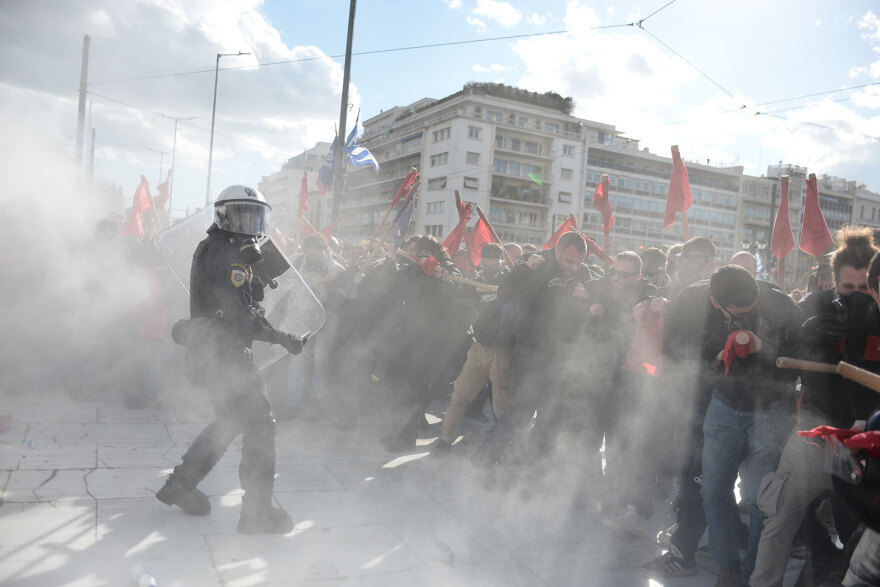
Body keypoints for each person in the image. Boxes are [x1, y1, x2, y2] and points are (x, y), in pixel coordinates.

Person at [156, 185, 306, 534]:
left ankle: (179, 485)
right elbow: (239, 317)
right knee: (261, 426)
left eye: (256, 216)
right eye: (243, 215)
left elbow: (231, 301)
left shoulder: (216, 247)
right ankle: (257, 514)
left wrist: (255, 283)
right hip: (228, 355)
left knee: (228, 422)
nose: (250, 223)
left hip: (213, 353)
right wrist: (281, 337)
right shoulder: (228, 254)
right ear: (225, 215)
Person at [751, 227, 880, 587]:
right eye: (847, 287)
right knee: (779, 516)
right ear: (832, 283)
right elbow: (776, 362)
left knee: (855, 531)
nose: (856, 295)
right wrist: (801, 334)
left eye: (865, 288)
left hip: (862, 446)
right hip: (813, 434)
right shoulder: (815, 307)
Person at [470, 231, 589, 486]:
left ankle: (533, 470)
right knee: (522, 410)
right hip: (532, 348)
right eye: (569, 261)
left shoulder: (582, 273)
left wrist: (589, 300)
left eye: (578, 262)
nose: (573, 267)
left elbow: (601, 293)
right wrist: (524, 270)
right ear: (557, 251)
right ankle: (484, 457)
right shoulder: (535, 262)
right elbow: (504, 293)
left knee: (551, 414)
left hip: (562, 352)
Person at [432, 243, 514, 456]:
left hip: (501, 351)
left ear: (502, 263)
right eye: (484, 265)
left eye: (493, 266)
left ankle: (505, 449)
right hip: (478, 348)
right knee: (459, 396)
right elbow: (457, 291)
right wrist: (443, 277)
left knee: (501, 405)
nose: (488, 270)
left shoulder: (511, 280)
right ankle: (445, 441)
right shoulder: (475, 280)